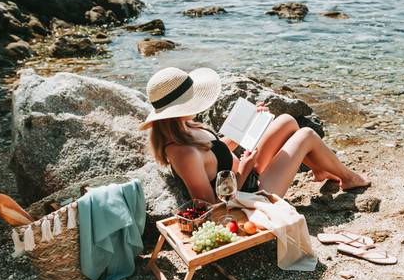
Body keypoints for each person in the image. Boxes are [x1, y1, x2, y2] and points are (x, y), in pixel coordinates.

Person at [139, 67, 370, 204]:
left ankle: (320, 170)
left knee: (287, 121)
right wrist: (245, 168)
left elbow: (218, 152)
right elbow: (212, 206)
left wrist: (251, 123)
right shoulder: (183, 152)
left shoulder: (185, 128)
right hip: (248, 196)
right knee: (307, 134)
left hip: (246, 176)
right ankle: (348, 179)